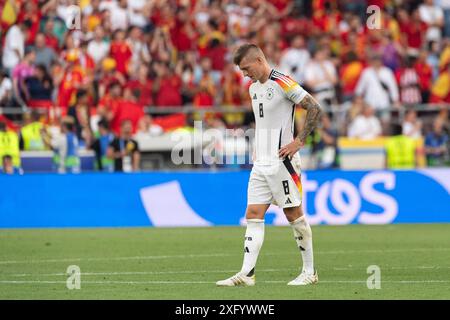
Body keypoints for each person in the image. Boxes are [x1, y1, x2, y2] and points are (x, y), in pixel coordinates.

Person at [216, 44, 322, 287]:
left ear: (259, 60)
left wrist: (299, 141)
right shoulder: (253, 88)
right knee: (253, 214)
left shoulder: (283, 82)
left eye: (246, 68)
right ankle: (247, 273)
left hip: (282, 162)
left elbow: (314, 107)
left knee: (293, 214)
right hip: (260, 162)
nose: (244, 74)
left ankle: (309, 272)